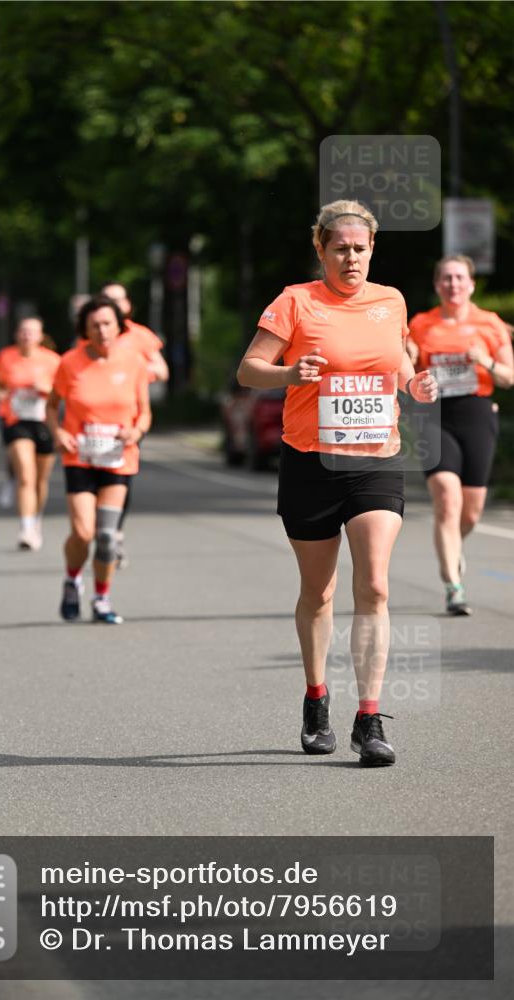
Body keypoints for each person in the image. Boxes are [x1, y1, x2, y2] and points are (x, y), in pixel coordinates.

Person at [237, 200, 437, 767]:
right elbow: (248, 369)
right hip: (311, 462)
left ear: (373, 250)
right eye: (341, 248)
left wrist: (413, 385)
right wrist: (287, 373)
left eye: (361, 248)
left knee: (374, 585)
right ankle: (316, 698)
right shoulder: (296, 301)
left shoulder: (391, 300)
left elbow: (397, 361)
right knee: (319, 592)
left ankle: (369, 718)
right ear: (321, 249)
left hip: (375, 458)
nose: (352, 258)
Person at [407, 255, 513, 615]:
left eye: (459, 278)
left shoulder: (490, 323)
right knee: (447, 501)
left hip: (477, 413)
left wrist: (483, 360)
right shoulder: (422, 324)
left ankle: (453, 549)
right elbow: (407, 363)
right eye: (446, 278)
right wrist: (407, 355)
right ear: (437, 285)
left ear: (471, 284)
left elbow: (508, 377)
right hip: (434, 417)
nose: (453, 284)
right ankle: (453, 585)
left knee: (470, 512)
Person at [46, 295, 151, 625]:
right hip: (80, 457)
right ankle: (72, 578)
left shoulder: (133, 362)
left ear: (119, 326)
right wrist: (57, 432)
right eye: (95, 325)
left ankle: (102, 598)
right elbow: (51, 406)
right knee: (83, 532)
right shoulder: (70, 362)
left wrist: (135, 432)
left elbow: (144, 413)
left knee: (106, 536)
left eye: (108, 323)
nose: (102, 330)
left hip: (119, 459)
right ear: (84, 330)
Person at [100, 282, 168, 568]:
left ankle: (113, 532)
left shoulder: (140, 336)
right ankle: (101, 529)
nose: (113, 304)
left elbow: (162, 371)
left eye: (118, 299)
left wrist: (135, 374)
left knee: (119, 477)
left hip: (127, 421)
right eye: (106, 299)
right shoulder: (94, 331)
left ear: (128, 305)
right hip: (93, 420)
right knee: (92, 480)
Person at [0, 317, 60, 550]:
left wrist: (46, 390)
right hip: (16, 420)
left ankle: (36, 518)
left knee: (40, 480)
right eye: (23, 331)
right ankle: (26, 528)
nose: (27, 335)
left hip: (44, 422)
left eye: (32, 332)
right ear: (16, 334)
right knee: (26, 476)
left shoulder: (52, 361)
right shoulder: (6, 357)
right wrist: (0, 394)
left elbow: (64, 394)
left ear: (41, 336)